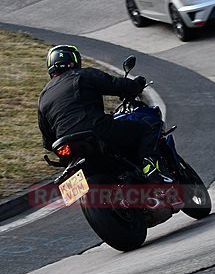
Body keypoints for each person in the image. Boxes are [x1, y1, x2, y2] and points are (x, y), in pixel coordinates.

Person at [38, 44, 171, 183]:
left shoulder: (43, 97)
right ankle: (152, 169)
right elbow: (116, 85)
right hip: (95, 129)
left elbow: (47, 141)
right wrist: (136, 84)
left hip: (66, 147)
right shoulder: (83, 74)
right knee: (146, 129)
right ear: (75, 60)